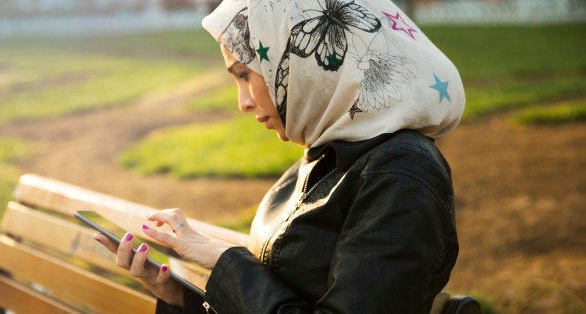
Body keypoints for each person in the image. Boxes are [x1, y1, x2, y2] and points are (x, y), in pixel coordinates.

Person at [94, 0, 465, 312]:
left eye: (245, 74)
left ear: (302, 63)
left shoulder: (401, 175)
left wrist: (225, 259)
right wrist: (177, 297)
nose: (243, 102)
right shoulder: (323, 156)